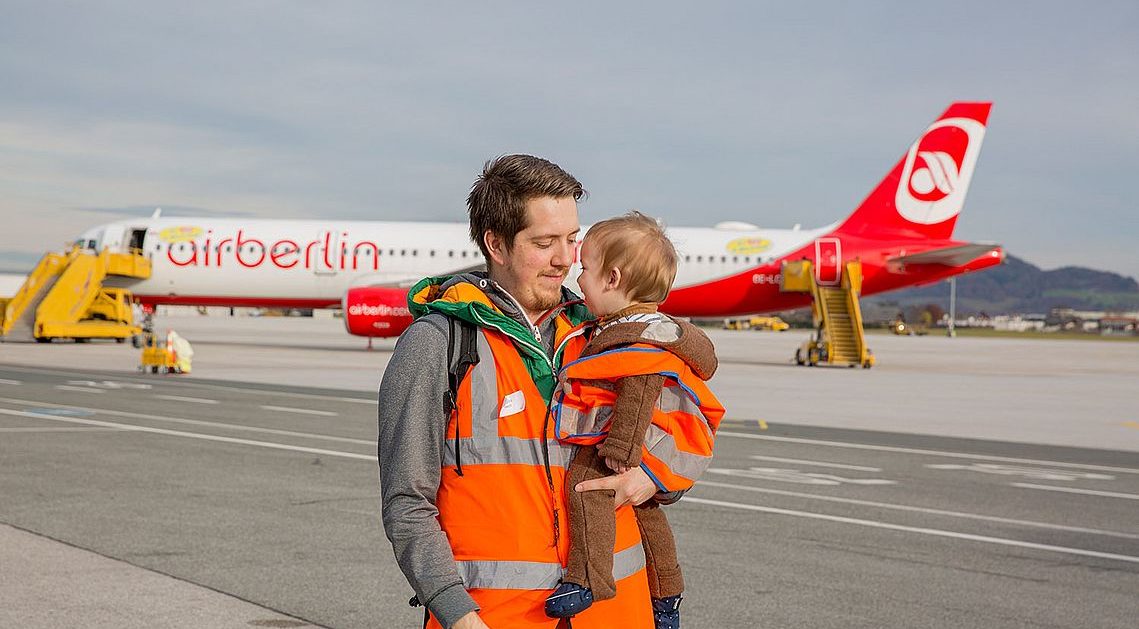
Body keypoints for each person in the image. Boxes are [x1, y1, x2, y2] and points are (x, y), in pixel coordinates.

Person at [378, 155, 661, 629]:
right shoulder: (437, 345)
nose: (566, 260)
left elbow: (686, 423)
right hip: (498, 618)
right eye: (545, 243)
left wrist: (653, 476)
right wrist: (456, 613)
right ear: (497, 244)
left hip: (617, 612)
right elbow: (408, 501)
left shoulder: (603, 333)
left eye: (571, 239)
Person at [542, 212, 723, 629]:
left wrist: (620, 455)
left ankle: (586, 579)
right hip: (655, 451)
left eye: (585, 268)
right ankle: (665, 597)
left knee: (586, 490)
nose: (577, 276)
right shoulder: (658, 328)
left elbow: (638, 395)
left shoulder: (632, 337)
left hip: (625, 444)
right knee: (649, 517)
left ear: (613, 278)